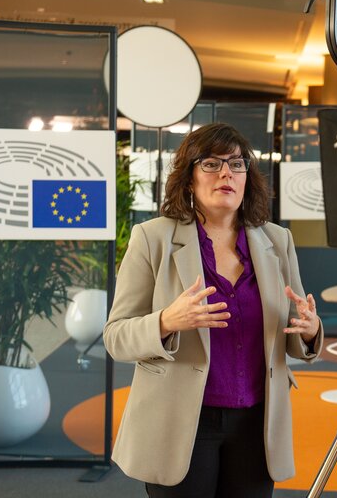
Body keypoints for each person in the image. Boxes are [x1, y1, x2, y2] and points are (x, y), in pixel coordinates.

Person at [103, 122, 323, 498]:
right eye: (211, 163)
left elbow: (294, 328)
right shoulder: (152, 239)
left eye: (237, 164)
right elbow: (116, 337)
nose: (226, 173)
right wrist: (166, 322)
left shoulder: (277, 240)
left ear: (247, 177)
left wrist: (310, 329)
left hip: (257, 421)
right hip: (180, 421)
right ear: (188, 178)